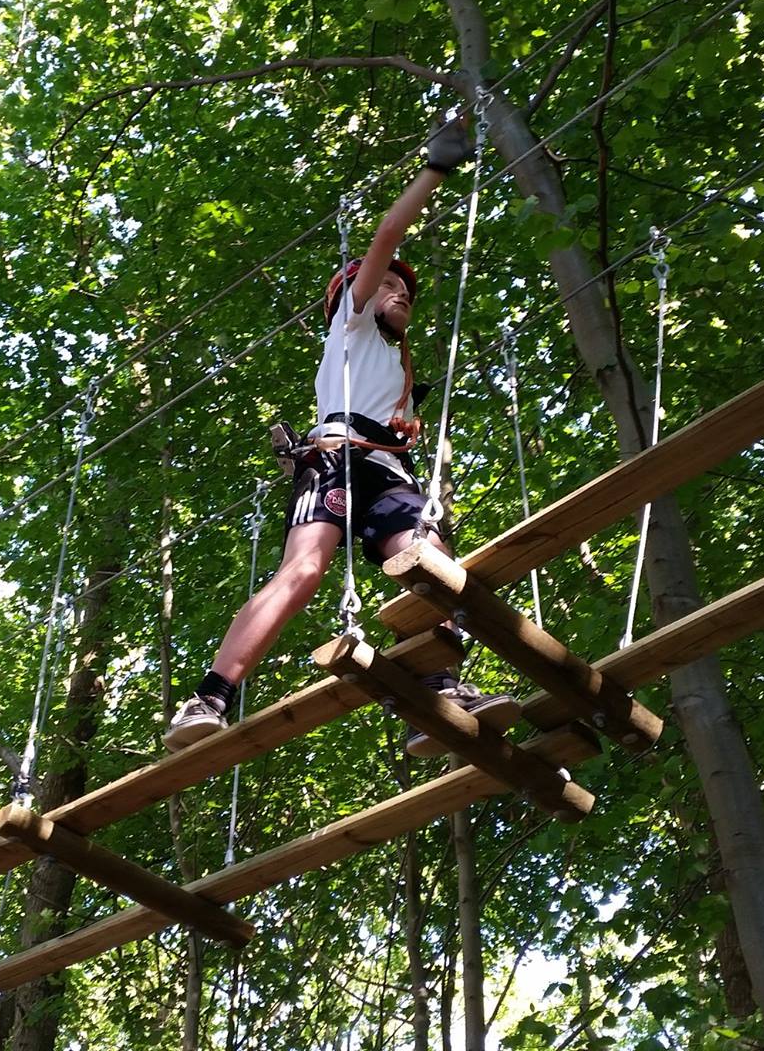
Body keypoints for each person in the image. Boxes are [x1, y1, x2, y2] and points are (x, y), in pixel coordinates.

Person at [164, 115, 519, 755]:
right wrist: (434, 170)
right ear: (352, 300)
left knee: (432, 563)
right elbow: (388, 234)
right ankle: (210, 695)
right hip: (335, 457)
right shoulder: (349, 327)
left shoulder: (399, 363)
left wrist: (405, 423)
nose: (397, 290)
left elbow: (396, 420)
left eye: (405, 289)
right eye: (386, 284)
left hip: (386, 468)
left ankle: (440, 690)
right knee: (303, 570)